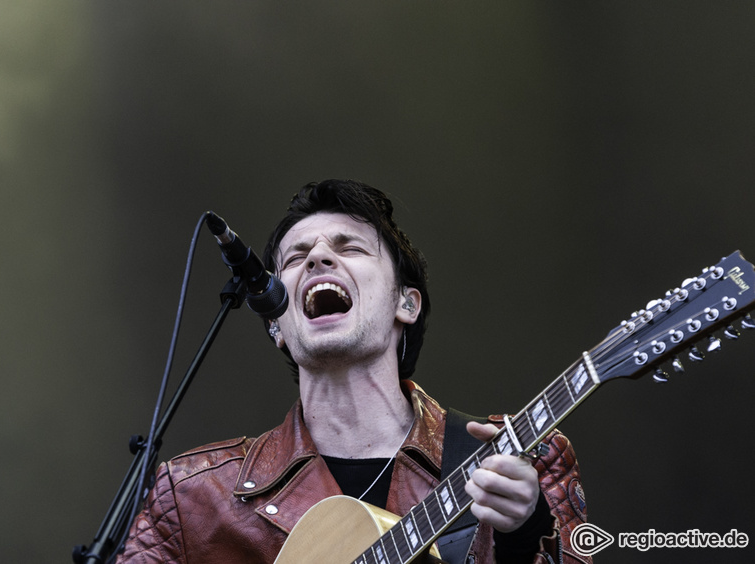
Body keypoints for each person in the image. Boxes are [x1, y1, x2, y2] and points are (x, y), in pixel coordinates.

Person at [117, 180, 590, 563]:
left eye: (351, 249)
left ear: (405, 303)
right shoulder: (194, 494)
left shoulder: (520, 459)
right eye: (297, 257)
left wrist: (523, 536)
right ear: (276, 325)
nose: (320, 258)